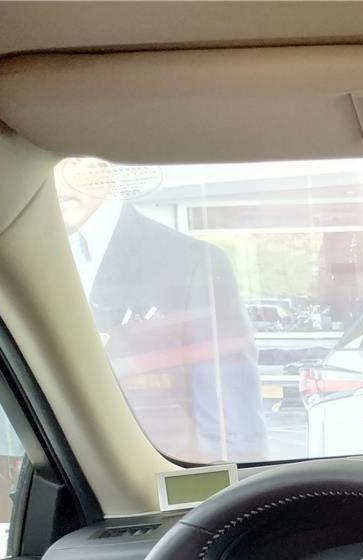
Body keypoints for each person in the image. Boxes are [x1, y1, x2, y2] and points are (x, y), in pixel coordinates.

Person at [56, 160, 268, 462]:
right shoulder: (17, 255)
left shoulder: (192, 263)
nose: (55, 177)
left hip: (155, 477)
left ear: (106, 162)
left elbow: (230, 425)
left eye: (72, 160)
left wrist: (233, 487)